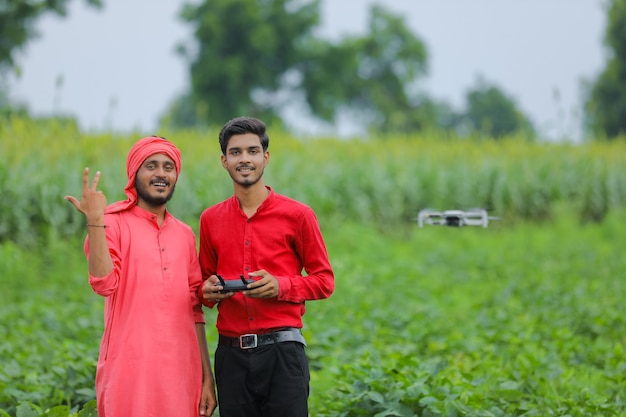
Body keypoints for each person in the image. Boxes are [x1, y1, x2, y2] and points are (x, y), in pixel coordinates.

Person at [65, 136, 217, 417]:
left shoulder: (184, 234)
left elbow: (195, 310)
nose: (161, 173)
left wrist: (208, 377)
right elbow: (104, 283)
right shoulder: (112, 222)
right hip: (130, 373)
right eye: (151, 166)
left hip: (183, 375)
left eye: (169, 167)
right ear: (134, 173)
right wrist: (95, 221)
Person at [198, 116, 334, 417]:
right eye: (235, 152)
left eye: (252, 151)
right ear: (224, 161)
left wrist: (281, 285)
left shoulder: (298, 215)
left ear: (265, 157)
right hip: (230, 357)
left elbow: (324, 280)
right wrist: (209, 291)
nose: (244, 159)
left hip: (283, 354)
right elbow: (203, 285)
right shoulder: (210, 219)